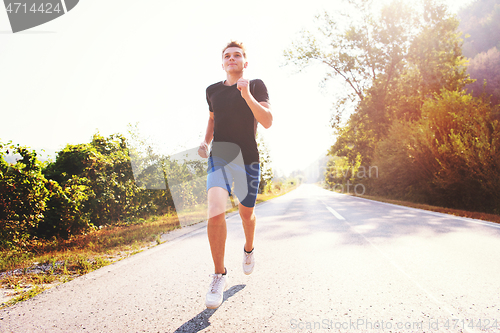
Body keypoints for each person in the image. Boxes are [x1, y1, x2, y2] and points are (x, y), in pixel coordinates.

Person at [198, 41, 273, 309]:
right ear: (222, 63)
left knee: (245, 213)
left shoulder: (255, 85)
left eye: (237, 55)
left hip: (247, 159)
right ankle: (219, 275)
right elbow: (212, 119)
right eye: (227, 56)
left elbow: (267, 121)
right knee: (215, 208)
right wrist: (206, 142)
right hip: (220, 156)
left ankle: (249, 248)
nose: (232, 59)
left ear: (245, 62)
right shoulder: (212, 91)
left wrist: (247, 95)